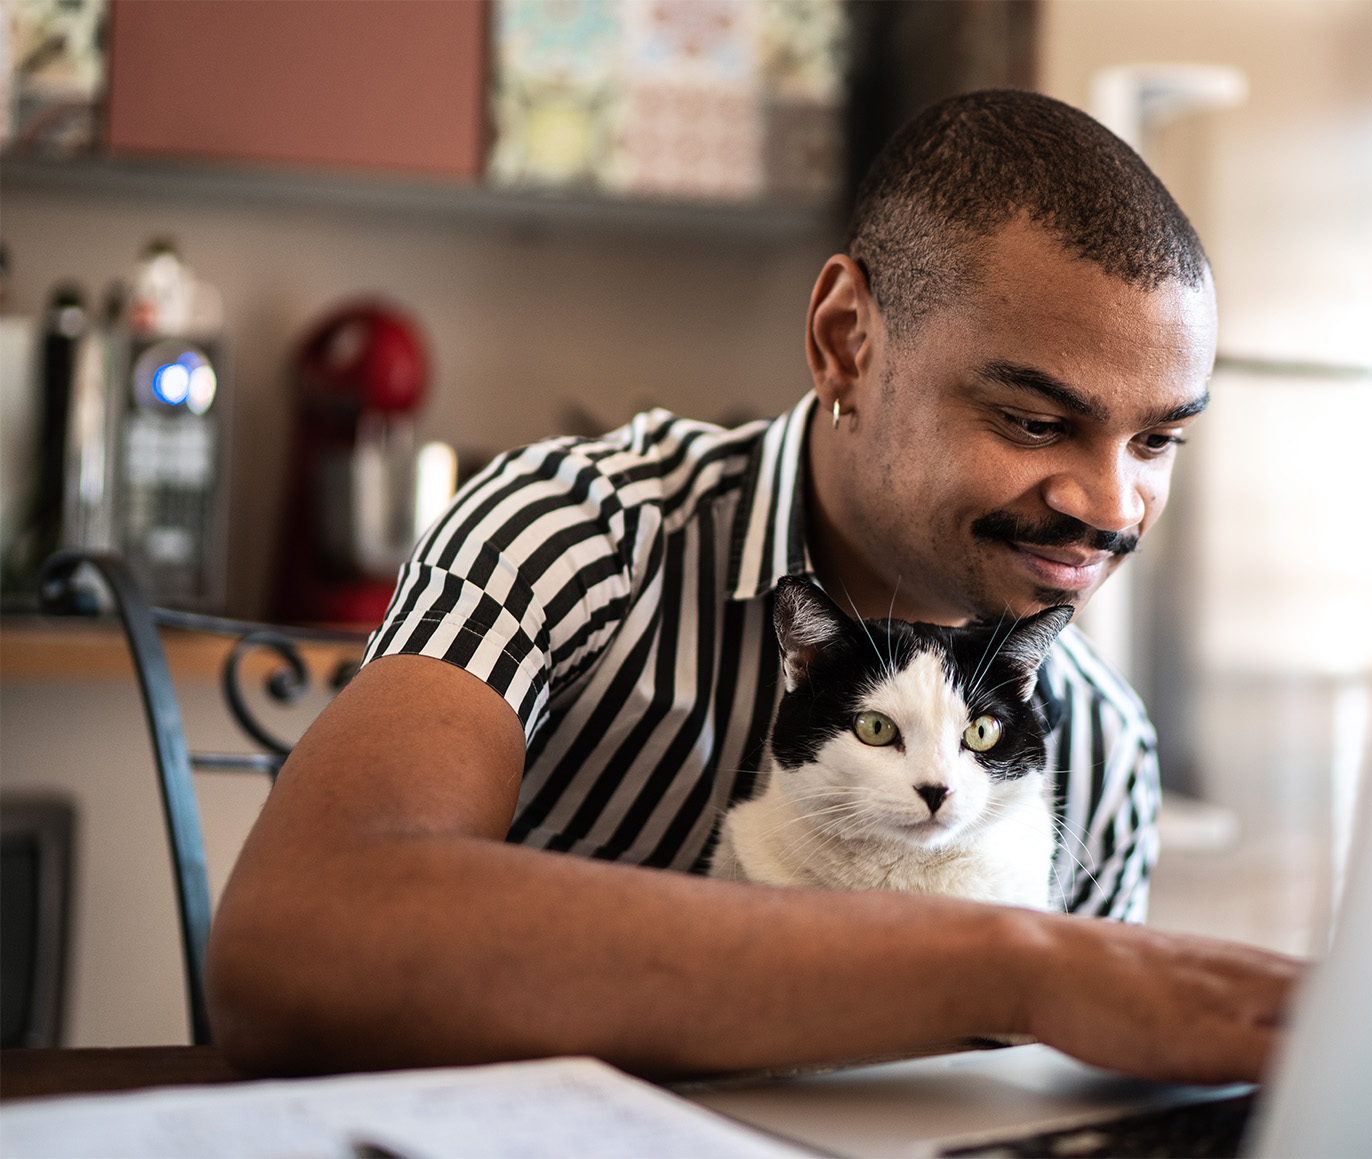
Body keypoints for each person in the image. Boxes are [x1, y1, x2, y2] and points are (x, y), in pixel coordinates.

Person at [209, 90, 1300, 1082]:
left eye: (1156, 440)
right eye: (1032, 420)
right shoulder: (581, 535)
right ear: (845, 343)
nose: (1111, 507)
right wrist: (1007, 961)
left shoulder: (1102, 750)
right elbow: (296, 941)